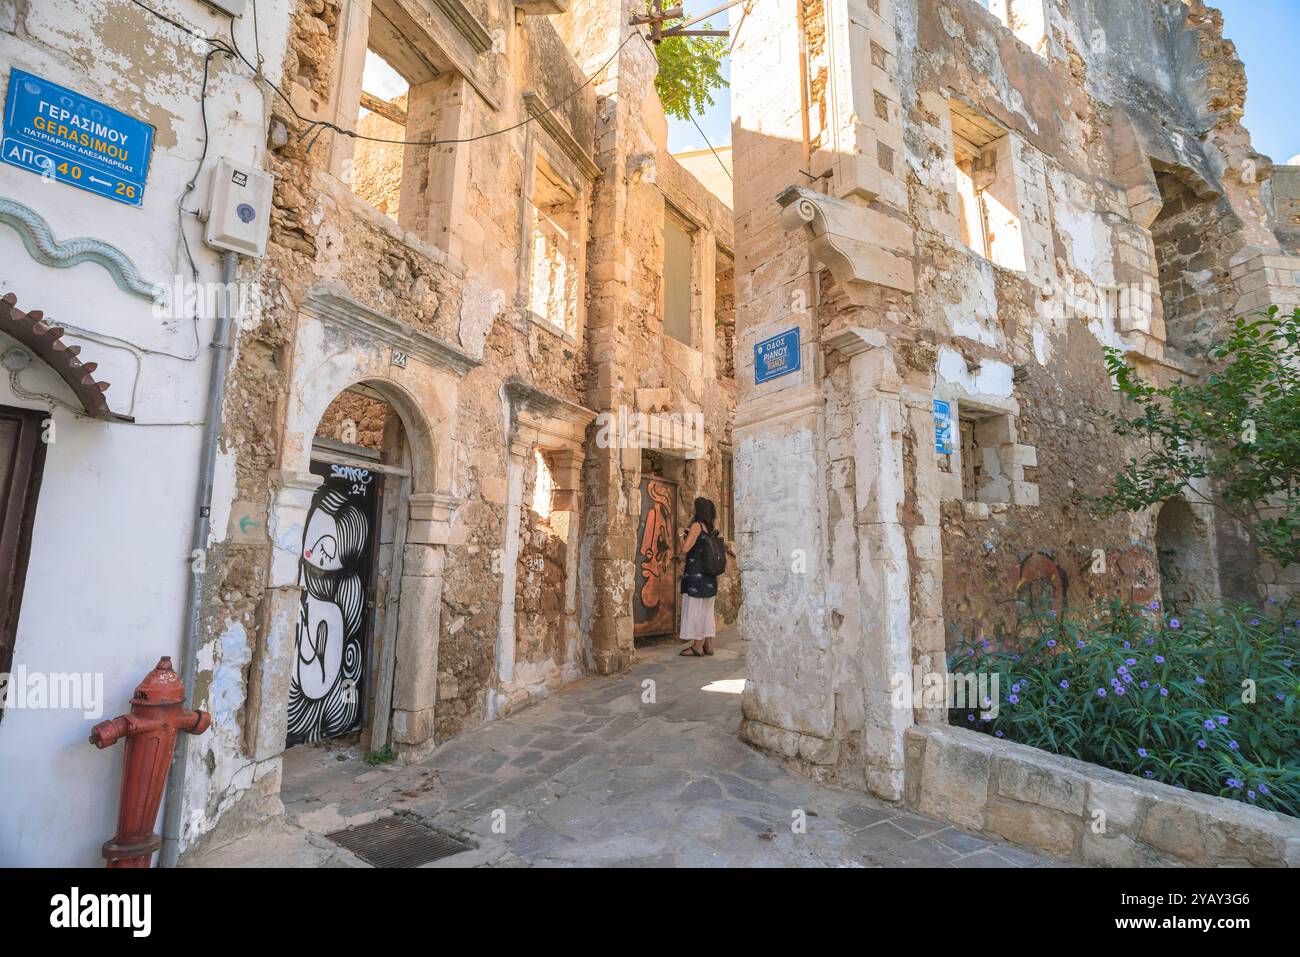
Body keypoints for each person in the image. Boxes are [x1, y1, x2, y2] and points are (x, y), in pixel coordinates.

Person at [678, 497, 719, 657]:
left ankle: (697, 646)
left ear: (699, 510)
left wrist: (680, 535)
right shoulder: (709, 528)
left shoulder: (696, 526)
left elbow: (686, 549)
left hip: (696, 576)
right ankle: (708, 645)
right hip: (709, 577)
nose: (692, 508)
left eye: (694, 506)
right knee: (707, 610)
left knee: (696, 610)